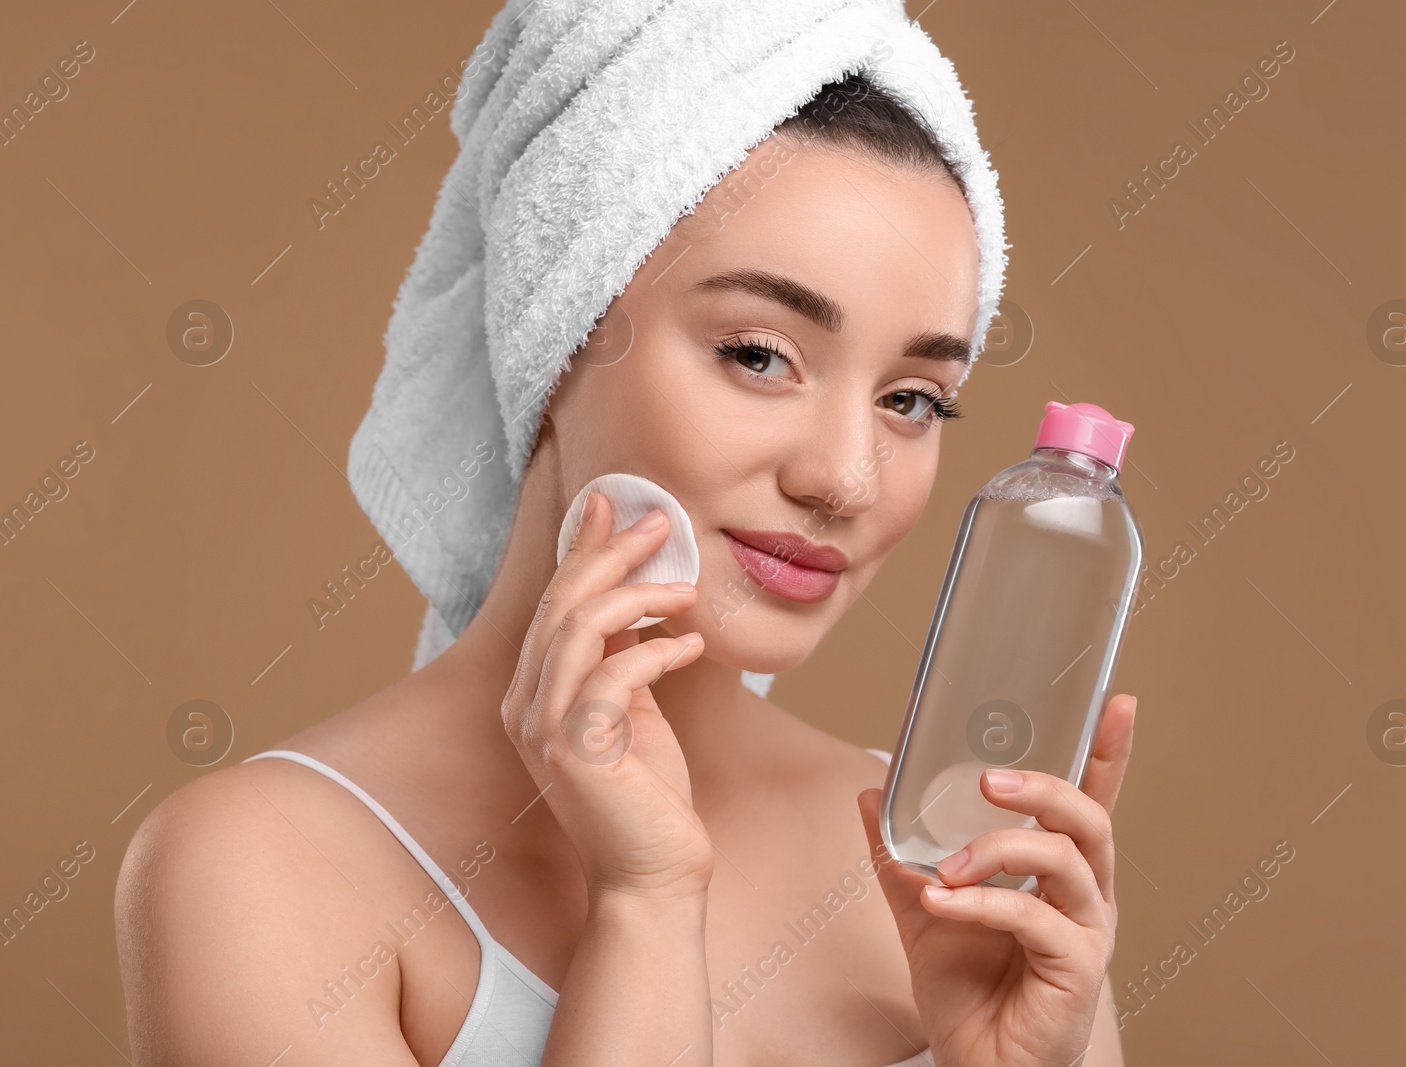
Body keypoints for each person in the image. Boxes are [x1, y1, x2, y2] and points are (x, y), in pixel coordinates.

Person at [114, 10, 1137, 1066]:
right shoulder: (258, 869)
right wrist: (645, 905)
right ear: (557, 335)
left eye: (914, 400)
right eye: (757, 353)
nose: (842, 477)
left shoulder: (958, 870)